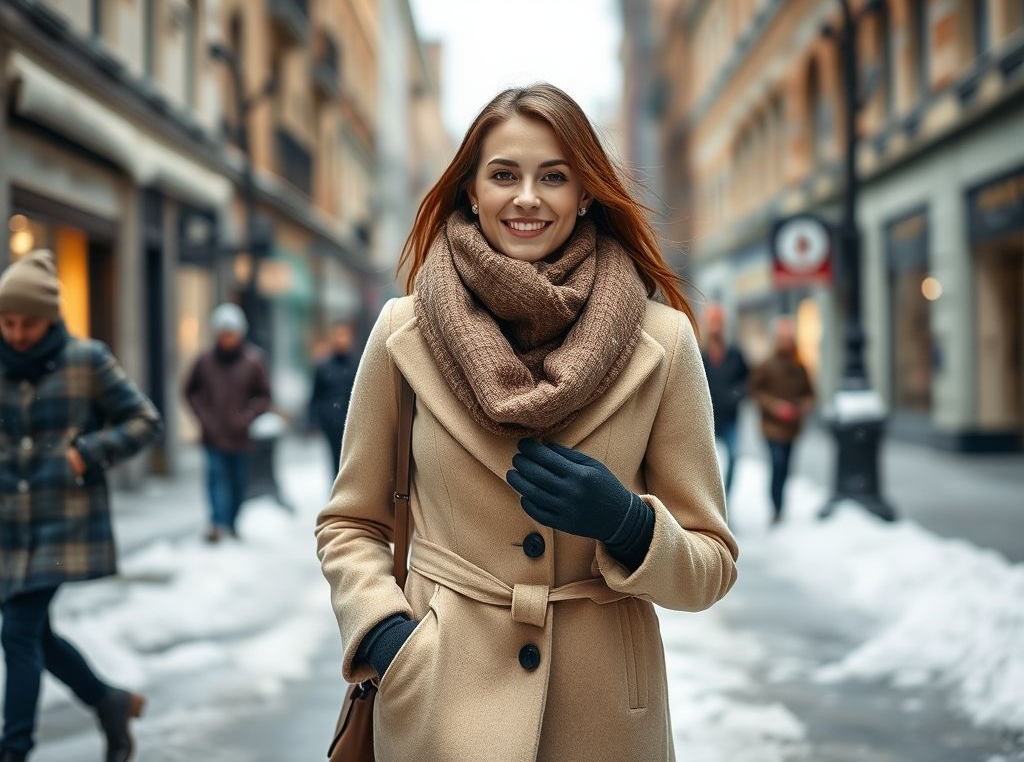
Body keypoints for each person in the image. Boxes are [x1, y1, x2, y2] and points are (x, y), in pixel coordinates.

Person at [315, 84, 738, 761]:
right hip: (438, 699)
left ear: (587, 194)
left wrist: (628, 525)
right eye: (504, 174)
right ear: (471, 192)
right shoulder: (405, 331)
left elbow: (711, 565)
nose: (528, 197)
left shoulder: (665, 341)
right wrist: (387, 639)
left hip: (601, 718)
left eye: (554, 177)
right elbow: (351, 522)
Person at [0, 250, 163, 762]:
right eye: (8, 321)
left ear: (50, 317)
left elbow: (145, 421)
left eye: (28, 322)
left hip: (61, 523)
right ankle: (108, 701)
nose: (17, 333)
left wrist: (86, 453)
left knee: (19, 631)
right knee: (35, 635)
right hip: (7, 523)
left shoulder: (86, 360)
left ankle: (14, 749)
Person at [183, 303, 271, 543]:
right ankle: (217, 524)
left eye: (231, 333)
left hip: (240, 436)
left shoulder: (253, 361)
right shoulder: (204, 361)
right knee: (215, 479)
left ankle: (231, 523)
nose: (227, 338)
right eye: (223, 333)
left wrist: (247, 416)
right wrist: (204, 417)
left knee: (238, 483)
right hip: (213, 434)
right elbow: (190, 391)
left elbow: (264, 395)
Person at [748, 317, 815, 525]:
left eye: (789, 337)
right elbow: (755, 391)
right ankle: (775, 505)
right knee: (777, 463)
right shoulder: (766, 365)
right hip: (772, 427)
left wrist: (804, 405)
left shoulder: (799, 366)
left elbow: (810, 392)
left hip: (792, 427)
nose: (786, 341)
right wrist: (774, 406)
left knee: (786, 466)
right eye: (782, 337)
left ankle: (780, 504)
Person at [700, 304, 748, 499]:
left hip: (730, 418)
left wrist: (736, 395)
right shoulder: (699, 353)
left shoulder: (735, 353)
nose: (715, 328)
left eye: (718, 323)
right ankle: (712, 501)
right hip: (706, 419)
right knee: (707, 464)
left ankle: (725, 499)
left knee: (734, 458)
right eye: (712, 323)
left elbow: (748, 379)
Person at [308, 321, 358, 476]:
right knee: (335, 461)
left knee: (352, 463)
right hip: (331, 423)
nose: (341, 339)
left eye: (344, 335)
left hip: (354, 422)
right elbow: (315, 395)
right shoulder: (323, 367)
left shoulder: (359, 363)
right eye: (338, 335)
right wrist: (313, 421)